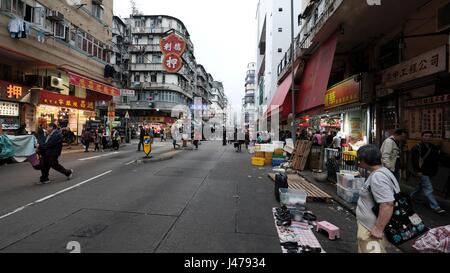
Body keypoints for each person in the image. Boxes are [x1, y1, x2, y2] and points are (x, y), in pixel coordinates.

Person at [355, 144, 400, 253]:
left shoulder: (378, 177)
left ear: (365, 160)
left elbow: (387, 204)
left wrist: (378, 228)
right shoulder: (381, 172)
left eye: (359, 159)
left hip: (371, 230)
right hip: (368, 227)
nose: (358, 162)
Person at [410, 131, 445, 214]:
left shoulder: (434, 148)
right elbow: (414, 160)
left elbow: (438, 158)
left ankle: (412, 196)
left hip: (431, 171)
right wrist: (417, 171)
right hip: (422, 172)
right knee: (428, 189)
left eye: (429, 136)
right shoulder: (417, 147)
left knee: (421, 186)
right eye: (425, 136)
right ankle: (435, 206)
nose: (428, 138)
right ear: (422, 137)